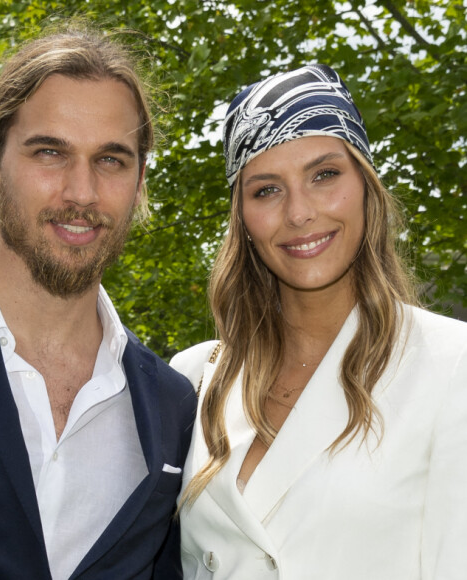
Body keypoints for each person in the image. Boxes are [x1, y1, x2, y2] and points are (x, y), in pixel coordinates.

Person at [0, 23, 196, 580]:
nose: (81, 192)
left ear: (139, 178)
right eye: (50, 152)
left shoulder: (173, 408)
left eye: (111, 159)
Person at [171, 64, 467, 579]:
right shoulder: (196, 376)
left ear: (365, 186)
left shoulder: (451, 364)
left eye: (324, 175)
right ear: (242, 216)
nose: (300, 212)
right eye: (266, 189)